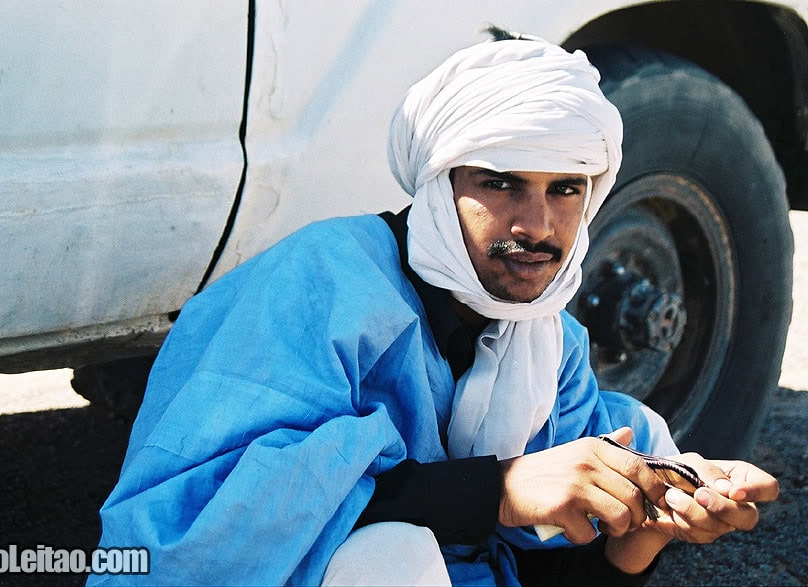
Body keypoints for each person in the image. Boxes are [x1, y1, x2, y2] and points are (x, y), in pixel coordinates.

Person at [89, 32, 778, 586]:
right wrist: (500, 489)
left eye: (567, 187)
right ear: (439, 183)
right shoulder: (319, 287)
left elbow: (541, 564)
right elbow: (200, 522)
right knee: (385, 559)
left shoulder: (548, 342)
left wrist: (640, 532)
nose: (538, 224)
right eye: (502, 181)